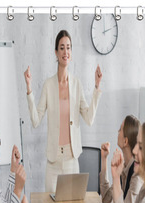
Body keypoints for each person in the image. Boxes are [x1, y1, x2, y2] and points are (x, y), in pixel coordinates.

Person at [24, 29, 103, 192]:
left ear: (71, 52)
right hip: (53, 161)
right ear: (56, 52)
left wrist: (97, 87)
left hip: (71, 159)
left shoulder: (76, 84)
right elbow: (35, 120)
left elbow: (89, 119)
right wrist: (29, 89)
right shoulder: (48, 85)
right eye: (61, 48)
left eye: (68, 47)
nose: (65, 51)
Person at [99, 115, 143, 203]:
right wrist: (104, 158)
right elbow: (106, 198)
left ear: (125, 141)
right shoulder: (124, 167)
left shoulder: (136, 175)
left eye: (120, 130)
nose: (118, 132)